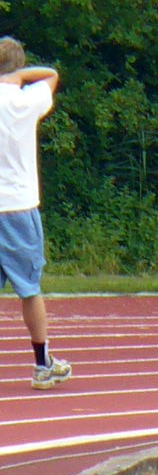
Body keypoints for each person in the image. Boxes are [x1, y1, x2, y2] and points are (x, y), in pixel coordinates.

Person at [0, 37, 72, 390]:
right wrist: (19, 77)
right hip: (17, 204)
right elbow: (52, 76)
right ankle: (42, 363)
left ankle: (45, 363)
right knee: (29, 288)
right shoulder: (23, 100)